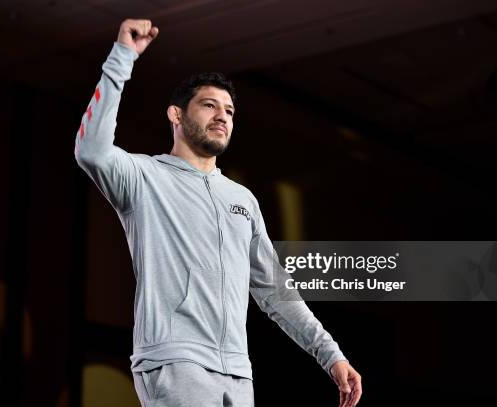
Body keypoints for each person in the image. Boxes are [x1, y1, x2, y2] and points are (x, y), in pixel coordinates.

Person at [74, 18, 362, 407]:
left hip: (238, 372)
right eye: (209, 105)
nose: (222, 116)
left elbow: (276, 293)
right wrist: (122, 57)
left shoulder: (242, 199)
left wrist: (331, 355)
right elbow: (90, 150)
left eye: (228, 110)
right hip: (176, 362)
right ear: (176, 115)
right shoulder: (145, 177)